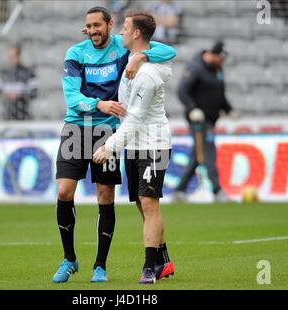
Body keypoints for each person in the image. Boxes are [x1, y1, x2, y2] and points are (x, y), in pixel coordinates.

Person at [53, 6, 176, 284]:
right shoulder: (75, 53)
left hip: (108, 131)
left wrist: (141, 55)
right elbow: (72, 97)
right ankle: (69, 258)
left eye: (98, 25)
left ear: (110, 25)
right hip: (76, 127)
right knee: (64, 191)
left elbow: (169, 52)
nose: (93, 30)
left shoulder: (122, 51)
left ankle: (100, 265)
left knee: (106, 197)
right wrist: (100, 104)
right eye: (89, 26)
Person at [93, 10, 174, 284]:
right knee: (142, 203)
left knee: (150, 204)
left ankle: (150, 267)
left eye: (125, 28)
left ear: (137, 33)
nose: (121, 32)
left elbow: (136, 117)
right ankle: (164, 258)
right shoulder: (132, 56)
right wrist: (140, 54)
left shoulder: (148, 74)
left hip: (152, 144)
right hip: (135, 145)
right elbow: (162, 49)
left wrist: (110, 146)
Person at [173, 41, 236, 203]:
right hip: (199, 120)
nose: (222, 62)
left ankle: (179, 190)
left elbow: (220, 94)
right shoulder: (195, 68)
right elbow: (182, 91)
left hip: (211, 119)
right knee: (209, 151)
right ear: (213, 55)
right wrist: (192, 108)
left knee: (197, 155)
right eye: (220, 58)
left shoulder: (217, 70)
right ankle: (217, 191)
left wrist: (229, 110)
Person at [0, 45, 38, 120]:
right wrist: (6, 95)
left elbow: (34, 92)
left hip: (23, 115)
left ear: (19, 56)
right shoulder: (2, 73)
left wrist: (19, 95)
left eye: (13, 56)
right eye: (9, 56)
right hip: (6, 116)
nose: (11, 59)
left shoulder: (28, 72)